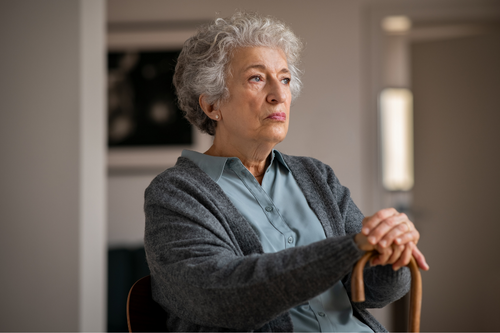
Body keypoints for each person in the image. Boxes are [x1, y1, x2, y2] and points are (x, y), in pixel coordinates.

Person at [144, 11, 429, 332]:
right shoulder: (175, 193)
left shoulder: (316, 176)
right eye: (256, 78)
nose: (279, 95)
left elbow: (373, 293)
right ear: (212, 105)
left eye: (284, 79)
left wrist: (391, 253)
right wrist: (349, 247)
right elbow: (220, 297)